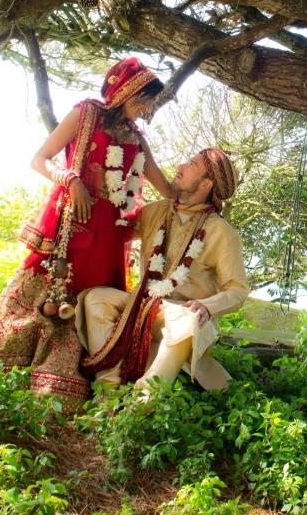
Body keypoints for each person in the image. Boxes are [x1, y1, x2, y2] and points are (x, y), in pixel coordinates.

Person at [0, 57, 174, 400]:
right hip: (75, 220)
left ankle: (75, 382)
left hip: (110, 232)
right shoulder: (85, 114)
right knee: (54, 289)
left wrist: (201, 197)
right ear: (125, 91)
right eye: (143, 99)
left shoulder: (136, 137)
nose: (147, 109)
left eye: (150, 103)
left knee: (90, 299)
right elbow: (39, 160)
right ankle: (16, 365)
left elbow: (160, 182)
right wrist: (70, 179)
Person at [77, 147, 249, 392]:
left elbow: (238, 290)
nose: (181, 166)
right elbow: (116, 228)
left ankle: (143, 401)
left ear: (206, 184)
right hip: (142, 304)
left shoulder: (222, 232)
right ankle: (108, 390)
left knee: (188, 322)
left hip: (179, 312)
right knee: (96, 298)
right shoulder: (157, 211)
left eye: (191, 165)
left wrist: (207, 307)